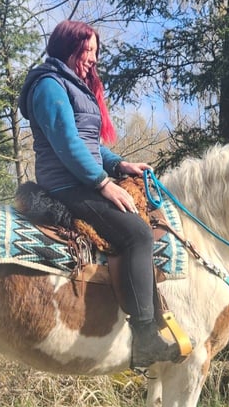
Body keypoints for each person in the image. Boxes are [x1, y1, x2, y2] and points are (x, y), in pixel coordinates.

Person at [18, 20, 184, 367]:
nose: (93, 58)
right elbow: (67, 142)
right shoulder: (49, 85)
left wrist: (119, 164)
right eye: (87, 50)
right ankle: (145, 337)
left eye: (95, 51)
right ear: (67, 48)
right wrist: (102, 183)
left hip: (83, 178)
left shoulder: (73, 85)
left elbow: (90, 144)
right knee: (136, 233)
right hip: (67, 185)